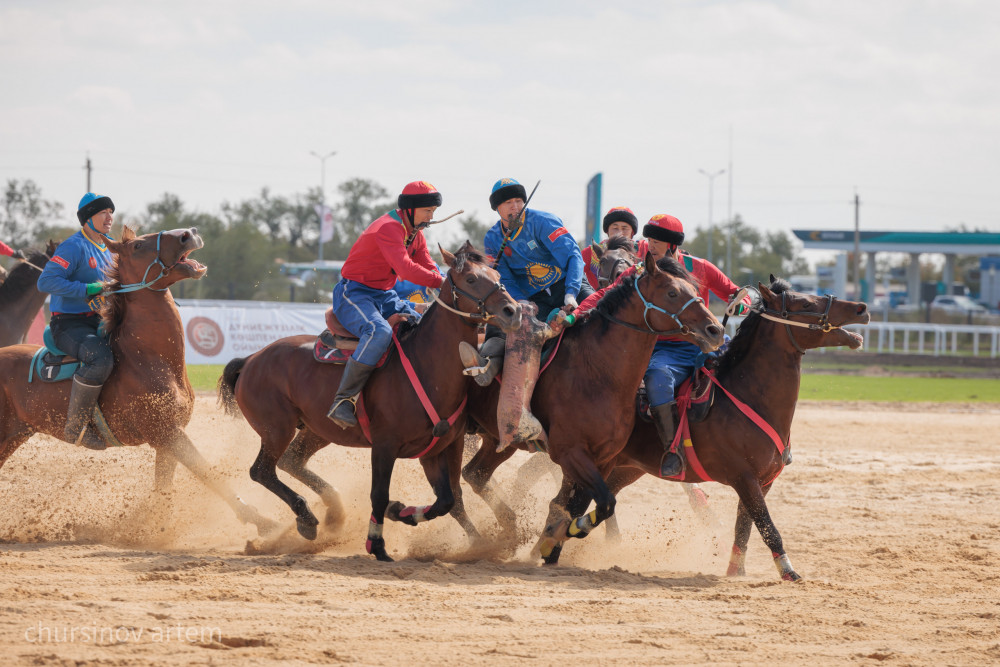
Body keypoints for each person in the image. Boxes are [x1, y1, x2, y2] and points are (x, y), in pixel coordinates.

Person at [326, 181, 445, 428]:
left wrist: (444, 279)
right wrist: (441, 281)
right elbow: (406, 268)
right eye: (427, 211)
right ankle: (343, 400)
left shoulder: (416, 234)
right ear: (410, 209)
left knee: (425, 325)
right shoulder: (389, 229)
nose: (431, 217)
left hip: (383, 294)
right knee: (378, 331)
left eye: (433, 212)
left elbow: (427, 263)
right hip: (354, 294)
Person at [640, 213, 748, 477]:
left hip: (707, 344)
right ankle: (672, 451)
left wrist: (741, 304)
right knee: (656, 379)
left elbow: (738, 295)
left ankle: (778, 442)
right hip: (665, 351)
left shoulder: (701, 267)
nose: (649, 246)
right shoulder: (643, 270)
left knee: (751, 368)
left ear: (673, 246)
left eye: (656, 242)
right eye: (649, 240)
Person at [459, 178, 594, 386]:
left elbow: (573, 256)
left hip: (568, 286)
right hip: (534, 299)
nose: (515, 207)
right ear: (497, 209)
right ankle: (486, 365)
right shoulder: (493, 239)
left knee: (602, 310)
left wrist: (571, 292)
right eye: (508, 203)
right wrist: (522, 301)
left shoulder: (543, 222)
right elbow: (504, 276)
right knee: (506, 325)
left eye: (518, 201)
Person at [36, 193, 117, 450]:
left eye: (111, 212)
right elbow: (45, 281)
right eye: (103, 212)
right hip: (68, 325)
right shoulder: (73, 246)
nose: (109, 217)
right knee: (100, 358)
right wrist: (88, 289)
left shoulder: (111, 247)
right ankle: (76, 427)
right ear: (87, 218)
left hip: (100, 321)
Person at [580, 206, 648, 290]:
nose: (619, 233)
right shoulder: (591, 252)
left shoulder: (645, 249)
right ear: (607, 231)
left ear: (632, 232)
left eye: (625, 228)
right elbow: (573, 273)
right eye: (615, 228)